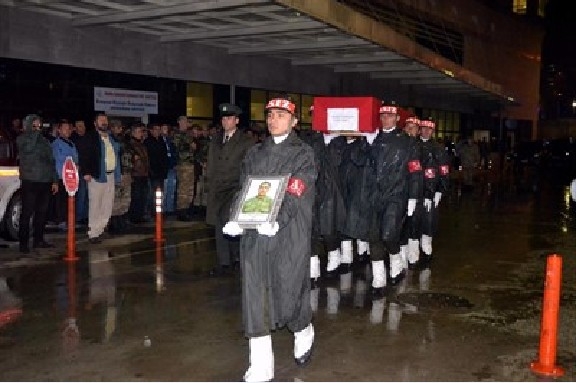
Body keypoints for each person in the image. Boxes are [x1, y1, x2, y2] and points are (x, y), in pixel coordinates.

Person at [222, 96, 317, 382]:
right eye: (270, 115)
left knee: (289, 290)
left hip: (288, 233)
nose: (274, 120)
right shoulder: (254, 153)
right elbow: (245, 189)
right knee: (254, 293)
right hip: (255, 235)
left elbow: (297, 192)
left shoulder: (303, 154)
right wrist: (236, 218)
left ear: (294, 121)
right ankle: (261, 364)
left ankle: (303, 328)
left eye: (281, 115)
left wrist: (276, 220)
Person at [205, 103, 254, 277]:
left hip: (235, 188)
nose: (226, 121)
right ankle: (227, 261)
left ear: (237, 120)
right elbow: (211, 163)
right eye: (224, 118)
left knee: (228, 222)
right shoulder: (216, 139)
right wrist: (208, 183)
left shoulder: (246, 142)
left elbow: (249, 166)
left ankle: (234, 259)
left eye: (230, 118)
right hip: (218, 188)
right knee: (221, 224)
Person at [16, 114, 59, 253]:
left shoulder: (44, 141)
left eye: (39, 123)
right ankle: (23, 244)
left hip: (45, 181)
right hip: (30, 181)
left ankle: (38, 240)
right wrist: (34, 132)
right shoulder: (22, 139)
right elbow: (28, 149)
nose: (38, 125)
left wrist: (54, 180)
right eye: (34, 123)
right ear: (28, 124)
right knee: (27, 212)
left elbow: (51, 161)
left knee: (42, 213)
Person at [76, 112, 121, 244]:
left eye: (105, 120)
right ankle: (93, 233)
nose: (104, 122)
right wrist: (86, 172)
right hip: (97, 175)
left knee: (107, 205)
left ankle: (100, 229)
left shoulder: (111, 138)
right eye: (101, 120)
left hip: (111, 175)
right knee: (96, 204)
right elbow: (83, 155)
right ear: (95, 123)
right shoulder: (90, 137)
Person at [51, 119, 79, 231]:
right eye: (65, 129)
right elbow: (55, 161)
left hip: (71, 177)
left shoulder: (72, 144)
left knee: (70, 200)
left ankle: (69, 221)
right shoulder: (56, 144)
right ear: (59, 130)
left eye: (69, 129)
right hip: (60, 177)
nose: (67, 131)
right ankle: (61, 221)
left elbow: (76, 159)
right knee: (61, 201)